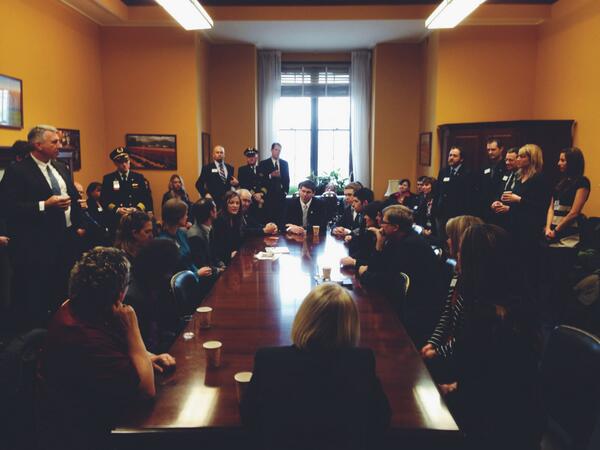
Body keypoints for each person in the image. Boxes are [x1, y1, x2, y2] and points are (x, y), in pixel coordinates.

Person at [40, 247, 175, 450]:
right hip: (88, 433)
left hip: (94, 406)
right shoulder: (84, 337)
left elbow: (114, 344)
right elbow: (146, 391)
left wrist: (147, 357)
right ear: (120, 293)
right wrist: (133, 329)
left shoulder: (79, 305)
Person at [240, 283, 391, 450]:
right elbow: (381, 420)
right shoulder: (362, 363)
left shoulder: (268, 360)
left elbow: (249, 418)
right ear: (350, 325)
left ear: (302, 318)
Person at [450, 224, 543, 450]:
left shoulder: (490, 318)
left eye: (461, 251)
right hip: (511, 416)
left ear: (475, 262)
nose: (457, 255)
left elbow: (485, 392)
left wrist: (454, 390)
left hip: (498, 430)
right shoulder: (513, 300)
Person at [0, 124, 83, 328]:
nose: (59, 145)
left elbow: (73, 197)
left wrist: (80, 224)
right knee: (39, 293)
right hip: (37, 244)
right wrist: (44, 205)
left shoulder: (61, 167)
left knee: (63, 288)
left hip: (66, 238)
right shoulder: (18, 171)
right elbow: (8, 207)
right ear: (38, 145)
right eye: (54, 142)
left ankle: (64, 328)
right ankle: (38, 334)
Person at [358, 205, 446, 347]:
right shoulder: (398, 239)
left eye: (384, 222)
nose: (381, 226)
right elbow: (379, 269)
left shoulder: (409, 245)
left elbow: (390, 280)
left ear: (395, 227)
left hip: (418, 309)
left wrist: (365, 275)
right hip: (407, 301)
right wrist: (379, 244)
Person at [421, 215, 483, 376]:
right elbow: (447, 313)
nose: (447, 241)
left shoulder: (476, 282)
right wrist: (432, 343)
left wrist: (438, 352)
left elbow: (470, 336)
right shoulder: (457, 272)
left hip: (466, 361)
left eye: (450, 237)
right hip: (451, 347)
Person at [492, 144, 549, 289]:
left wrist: (519, 200)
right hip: (514, 225)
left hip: (529, 229)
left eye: (522, 156)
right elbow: (515, 205)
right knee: (514, 264)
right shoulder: (519, 176)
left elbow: (541, 207)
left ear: (532, 159)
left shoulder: (539, 178)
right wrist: (503, 205)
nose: (518, 159)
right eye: (518, 156)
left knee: (527, 267)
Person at [125, 239, 181, 353]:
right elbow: (143, 342)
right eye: (168, 270)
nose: (169, 274)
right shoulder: (134, 297)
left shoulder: (153, 282)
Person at [100, 147, 153, 234]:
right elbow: (104, 199)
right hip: (117, 220)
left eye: (126, 161)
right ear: (115, 163)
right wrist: (117, 209)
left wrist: (137, 209)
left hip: (136, 218)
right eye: (121, 162)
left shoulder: (138, 177)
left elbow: (146, 198)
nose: (124, 165)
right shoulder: (109, 179)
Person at [545, 147, 590, 248]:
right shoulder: (561, 182)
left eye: (562, 160)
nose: (558, 163)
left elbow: (574, 213)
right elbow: (551, 207)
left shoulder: (582, 182)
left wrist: (556, 231)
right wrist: (548, 228)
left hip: (568, 236)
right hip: (552, 233)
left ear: (572, 162)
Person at [158, 199, 212, 282]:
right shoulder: (163, 243)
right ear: (177, 217)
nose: (187, 217)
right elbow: (172, 276)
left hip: (196, 276)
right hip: (183, 283)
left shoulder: (182, 233)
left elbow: (190, 260)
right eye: (185, 214)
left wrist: (198, 272)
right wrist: (196, 274)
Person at [436, 146, 476, 238]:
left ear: (461, 159)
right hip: (443, 213)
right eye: (450, 155)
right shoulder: (443, 171)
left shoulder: (468, 173)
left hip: (458, 213)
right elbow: (438, 191)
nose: (451, 158)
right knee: (443, 238)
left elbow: (468, 196)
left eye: (455, 156)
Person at [187, 199, 225, 290]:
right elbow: (201, 265)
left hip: (213, 271)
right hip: (204, 281)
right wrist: (218, 270)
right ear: (211, 213)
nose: (217, 210)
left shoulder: (209, 227)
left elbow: (214, 254)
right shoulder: (195, 236)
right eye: (215, 208)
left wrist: (221, 265)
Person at [258, 142, 290, 226]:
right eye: (276, 150)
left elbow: (287, 179)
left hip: (281, 196)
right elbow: (260, 180)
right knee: (269, 220)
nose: (278, 152)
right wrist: (270, 175)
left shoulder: (284, 163)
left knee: (280, 219)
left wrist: (285, 192)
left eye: (279, 150)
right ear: (271, 150)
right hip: (268, 196)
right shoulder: (263, 163)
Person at [490, 148, 518, 230]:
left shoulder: (522, 177)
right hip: (501, 218)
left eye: (511, 160)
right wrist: (495, 202)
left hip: (514, 219)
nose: (507, 163)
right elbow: (500, 191)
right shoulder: (507, 173)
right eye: (506, 160)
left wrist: (509, 209)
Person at [213, 191, 244, 265]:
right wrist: (229, 254)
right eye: (231, 203)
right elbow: (217, 246)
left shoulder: (236, 218)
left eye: (237, 203)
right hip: (222, 260)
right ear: (225, 204)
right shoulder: (219, 220)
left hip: (234, 255)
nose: (235, 206)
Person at [479, 138, 506, 221]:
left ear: (501, 149)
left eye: (493, 149)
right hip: (485, 209)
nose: (490, 152)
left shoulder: (506, 165)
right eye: (488, 150)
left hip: (499, 207)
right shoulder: (485, 165)